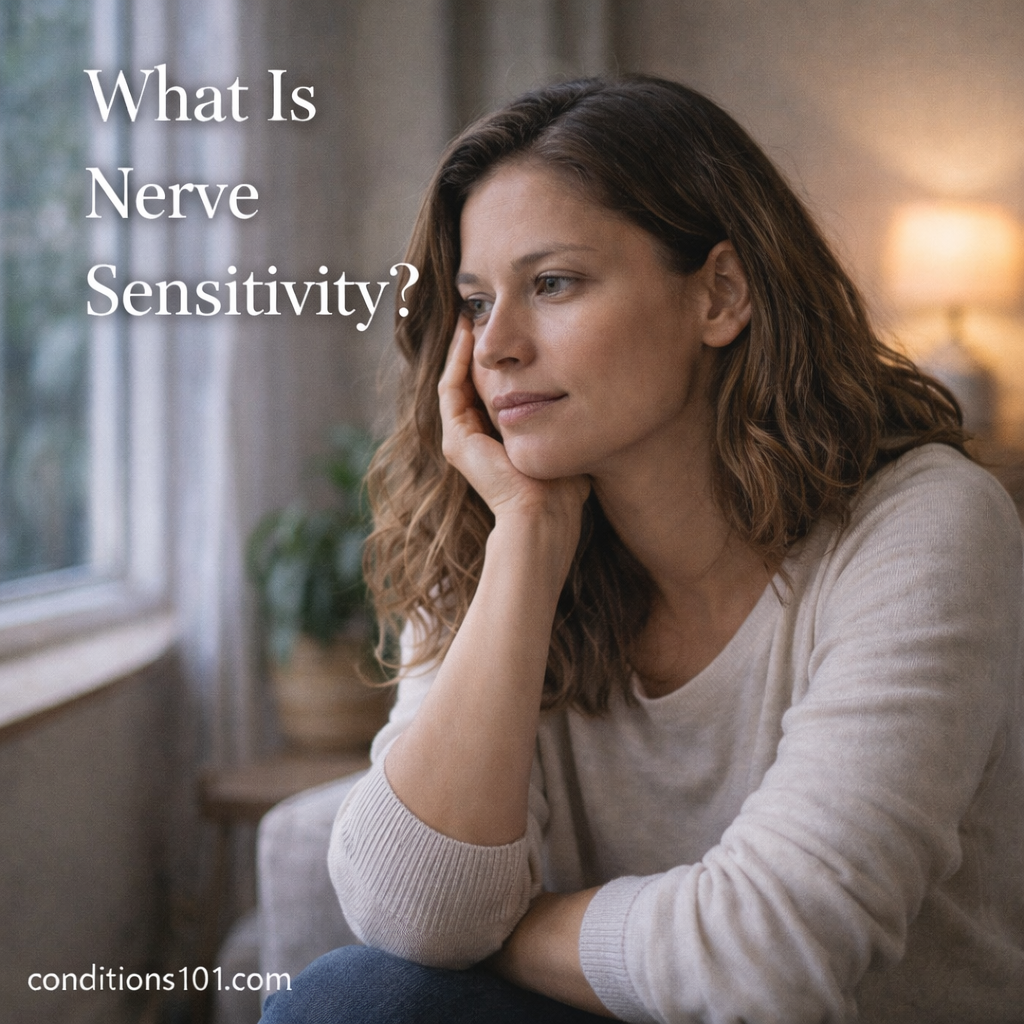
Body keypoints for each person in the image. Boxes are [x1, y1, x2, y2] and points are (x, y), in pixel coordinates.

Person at [260, 76, 1024, 1024]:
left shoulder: (925, 524)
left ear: (720, 294)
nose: (494, 346)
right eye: (471, 300)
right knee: (357, 999)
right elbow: (404, 913)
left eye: (553, 284)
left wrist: (502, 930)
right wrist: (528, 542)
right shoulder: (489, 532)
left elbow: (770, 961)